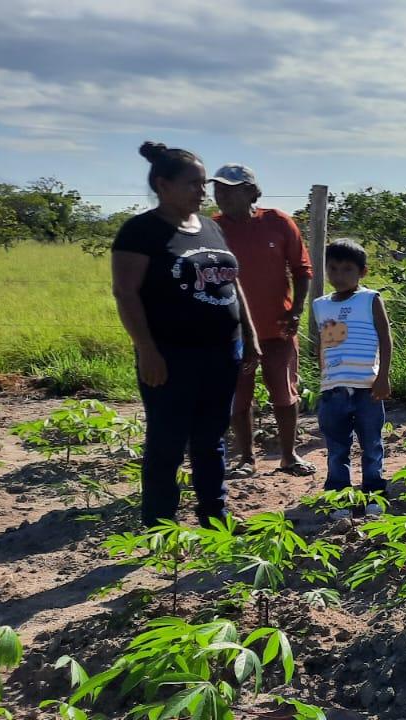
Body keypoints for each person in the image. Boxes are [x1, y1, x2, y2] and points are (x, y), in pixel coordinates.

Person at [112, 142, 261, 527]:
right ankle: (160, 525)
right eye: (193, 184)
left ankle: (214, 515)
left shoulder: (209, 227)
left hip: (223, 352)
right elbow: (125, 292)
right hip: (170, 354)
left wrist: (250, 335)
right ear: (163, 185)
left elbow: (232, 283)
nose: (202, 191)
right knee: (167, 441)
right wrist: (146, 348)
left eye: (202, 183)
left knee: (212, 438)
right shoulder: (141, 231)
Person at [210, 164, 315, 479]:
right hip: (232, 331)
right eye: (218, 188)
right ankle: (245, 458)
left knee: (284, 393)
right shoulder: (211, 228)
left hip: (276, 327)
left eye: (231, 188)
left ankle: (288, 455)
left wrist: (296, 310)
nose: (222, 194)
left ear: (252, 192)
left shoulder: (278, 223)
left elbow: (302, 269)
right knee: (238, 396)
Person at [311, 240, 391, 520]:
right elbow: (323, 344)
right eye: (332, 268)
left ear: (362, 271)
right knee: (336, 448)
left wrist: (383, 377)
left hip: (367, 388)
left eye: (347, 269)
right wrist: (323, 380)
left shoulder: (370, 298)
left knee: (371, 445)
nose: (339, 275)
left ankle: (374, 495)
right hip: (333, 389)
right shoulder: (320, 305)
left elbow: (385, 338)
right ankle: (340, 498)